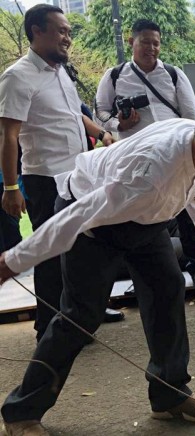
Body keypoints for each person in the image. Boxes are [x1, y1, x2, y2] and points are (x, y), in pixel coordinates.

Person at [0, 97, 195, 435]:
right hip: (93, 223)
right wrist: (13, 261)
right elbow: (75, 219)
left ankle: (170, 396)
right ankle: (21, 412)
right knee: (80, 317)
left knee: (168, 288)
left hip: (146, 220)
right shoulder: (147, 175)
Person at [0, 4, 123, 341]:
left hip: (78, 177)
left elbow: (72, 116)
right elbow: (8, 135)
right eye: (61, 31)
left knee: (84, 248)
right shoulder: (17, 76)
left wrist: (99, 132)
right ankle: (49, 327)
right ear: (37, 31)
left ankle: (83, 312)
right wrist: (11, 187)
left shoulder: (60, 72)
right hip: (45, 180)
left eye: (69, 31)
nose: (68, 38)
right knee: (51, 252)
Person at [95, 19, 195, 286]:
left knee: (188, 205)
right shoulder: (114, 76)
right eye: (145, 42)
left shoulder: (173, 74)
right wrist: (118, 124)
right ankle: (141, 275)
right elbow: (100, 112)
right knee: (139, 215)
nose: (152, 48)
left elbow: (191, 116)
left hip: (176, 153)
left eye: (156, 43)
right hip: (138, 159)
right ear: (131, 41)